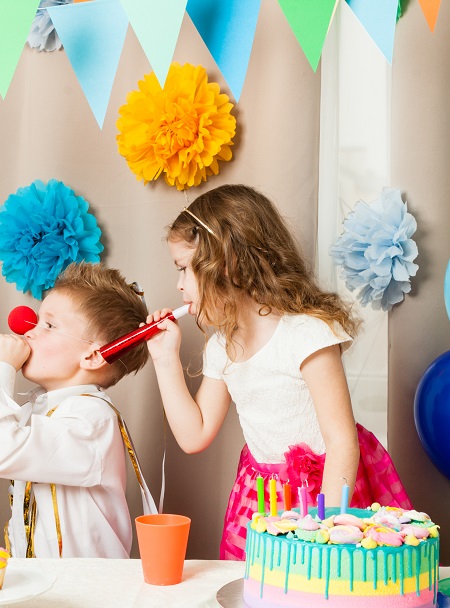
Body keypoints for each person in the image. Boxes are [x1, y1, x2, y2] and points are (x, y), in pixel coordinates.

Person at [145, 184, 411, 561]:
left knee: (324, 582)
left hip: (328, 492)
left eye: (184, 268)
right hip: (263, 497)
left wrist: (326, 531)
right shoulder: (222, 346)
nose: (179, 284)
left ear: (227, 263)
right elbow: (194, 435)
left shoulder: (308, 334)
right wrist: (164, 358)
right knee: (266, 586)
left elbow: (341, 442)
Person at [0, 262, 155, 558]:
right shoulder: (44, 408)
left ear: (93, 355)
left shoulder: (91, 420)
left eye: (49, 325)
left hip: (86, 584)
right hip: (48, 580)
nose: (28, 332)